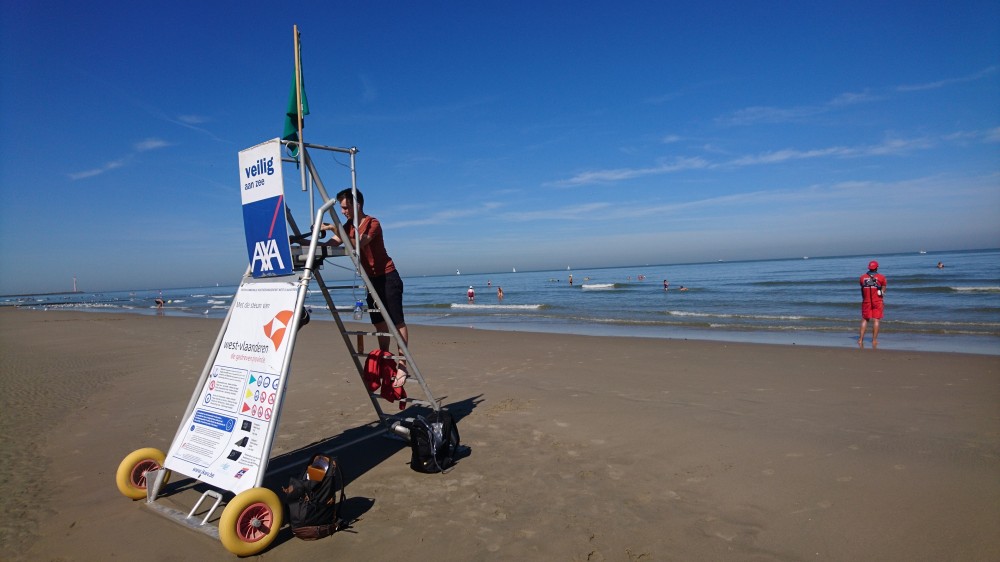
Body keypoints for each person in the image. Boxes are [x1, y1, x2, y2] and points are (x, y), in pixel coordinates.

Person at [320, 188, 409, 387]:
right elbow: (330, 244)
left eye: (345, 208)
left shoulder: (373, 223)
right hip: (371, 280)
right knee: (378, 323)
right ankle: (386, 359)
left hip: (388, 276)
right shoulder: (347, 226)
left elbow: (359, 243)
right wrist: (301, 243)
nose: (343, 211)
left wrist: (336, 229)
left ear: (356, 205)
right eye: (341, 208)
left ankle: (403, 365)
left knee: (397, 323)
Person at [858, 260, 887, 349]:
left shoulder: (862, 277)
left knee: (865, 320)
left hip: (866, 301)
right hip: (877, 301)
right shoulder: (881, 277)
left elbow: (862, 289)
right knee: (876, 320)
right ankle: (874, 340)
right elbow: (883, 289)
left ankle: (860, 339)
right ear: (877, 267)